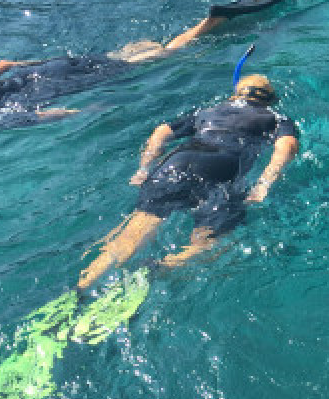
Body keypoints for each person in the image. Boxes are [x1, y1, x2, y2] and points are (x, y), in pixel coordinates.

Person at [0, 0, 295, 131]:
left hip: (59, 86)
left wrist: (84, 112)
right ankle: (202, 25)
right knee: (130, 52)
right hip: (51, 68)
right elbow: (2, 65)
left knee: (164, 57)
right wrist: (44, 62)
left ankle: (213, 22)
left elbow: (37, 115)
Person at [76, 74, 299, 291]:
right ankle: (163, 268)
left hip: (176, 162)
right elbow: (287, 147)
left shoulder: (208, 111)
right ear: (270, 99)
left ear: (235, 95)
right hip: (221, 167)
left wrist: (144, 168)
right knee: (213, 240)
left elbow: (161, 132)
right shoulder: (275, 117)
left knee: (135, 231)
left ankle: (84, 285)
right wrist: (264, 183)